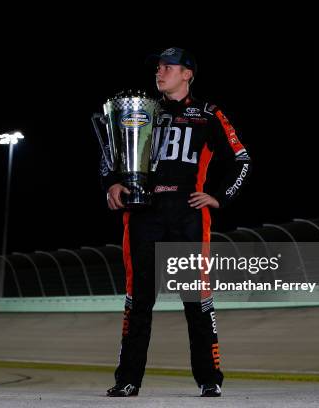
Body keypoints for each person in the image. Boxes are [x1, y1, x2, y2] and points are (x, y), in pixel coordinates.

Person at [101, 47, 251, 397]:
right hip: (143, 215)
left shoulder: (208, 114)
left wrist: (220, 197)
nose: (160, 72)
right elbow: (111, 152)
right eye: (158, 67)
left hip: (187, 216)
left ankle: (210, 378)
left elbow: (241, 159)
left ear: (188, 74)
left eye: (169, 67)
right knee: (138, 301)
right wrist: (112, 182)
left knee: (196, 299)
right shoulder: (141, 111)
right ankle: (127, 380)